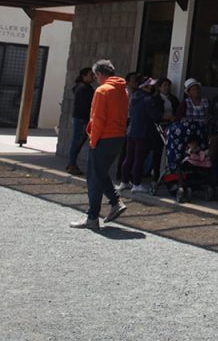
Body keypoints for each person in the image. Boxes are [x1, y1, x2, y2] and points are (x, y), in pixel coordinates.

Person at [69, 59, 128, 229]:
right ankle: (114, 203)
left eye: (96, 76)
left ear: (100, 74)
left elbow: (98, 119)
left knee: (94, 176)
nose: (95, 79)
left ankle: (93, 216)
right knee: (99, 173)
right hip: (118, 137)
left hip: (103, 137)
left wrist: (93, 140)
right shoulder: (122, 90)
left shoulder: (102, 91)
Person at [120, 77, 162, 193]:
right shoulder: (148, 99)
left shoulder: (134, 97)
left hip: (131, 130)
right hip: (143, 132)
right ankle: (136, 183)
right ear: (144, 86)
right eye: (150, 86)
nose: (152, 88)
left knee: (129, 157)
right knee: (139, 159)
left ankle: (124, 181)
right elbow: (155, 115)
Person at [147, 77, 179, 184]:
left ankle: (171, 176)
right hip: (158, 128)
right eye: (164, 85)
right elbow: (153, 114)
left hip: (172, 127)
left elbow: (178, 112)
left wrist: (173, 118)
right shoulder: (154, 99)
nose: (167, 88)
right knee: (157, 152)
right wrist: (165, 117)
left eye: (168, 86)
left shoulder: (173, 99)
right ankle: (155, 176)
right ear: (159, 87)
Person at [66, 67, 94, 175]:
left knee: (77, 142)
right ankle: (72, 164)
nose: (93, 77)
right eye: (90, 75)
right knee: (77, 142)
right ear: (84, 76)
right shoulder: (83, 88)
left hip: (81, 118)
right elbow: (86, 104)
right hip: (82, 118)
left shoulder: (83, 87)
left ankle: (71, 163)